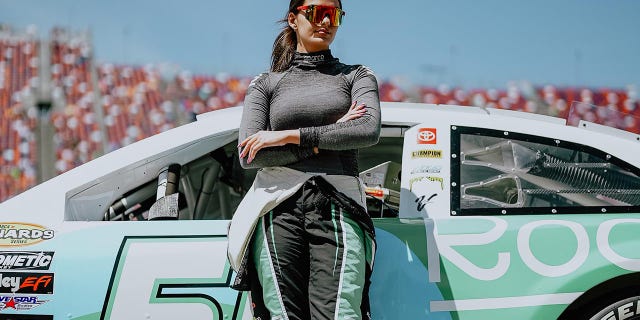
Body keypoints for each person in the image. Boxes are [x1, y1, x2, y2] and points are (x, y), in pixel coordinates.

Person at [228, 0, 380, 319]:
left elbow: (366, 130)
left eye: (333, 14)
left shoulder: (357, 76)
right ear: (294, 19)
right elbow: (249, 154)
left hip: (339, 203)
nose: (325, 21)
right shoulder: (265, 83)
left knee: (339, 313)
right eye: (315, 12)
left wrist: (287, 135)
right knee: (281, 314)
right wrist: (330, 134)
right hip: (275, 205)